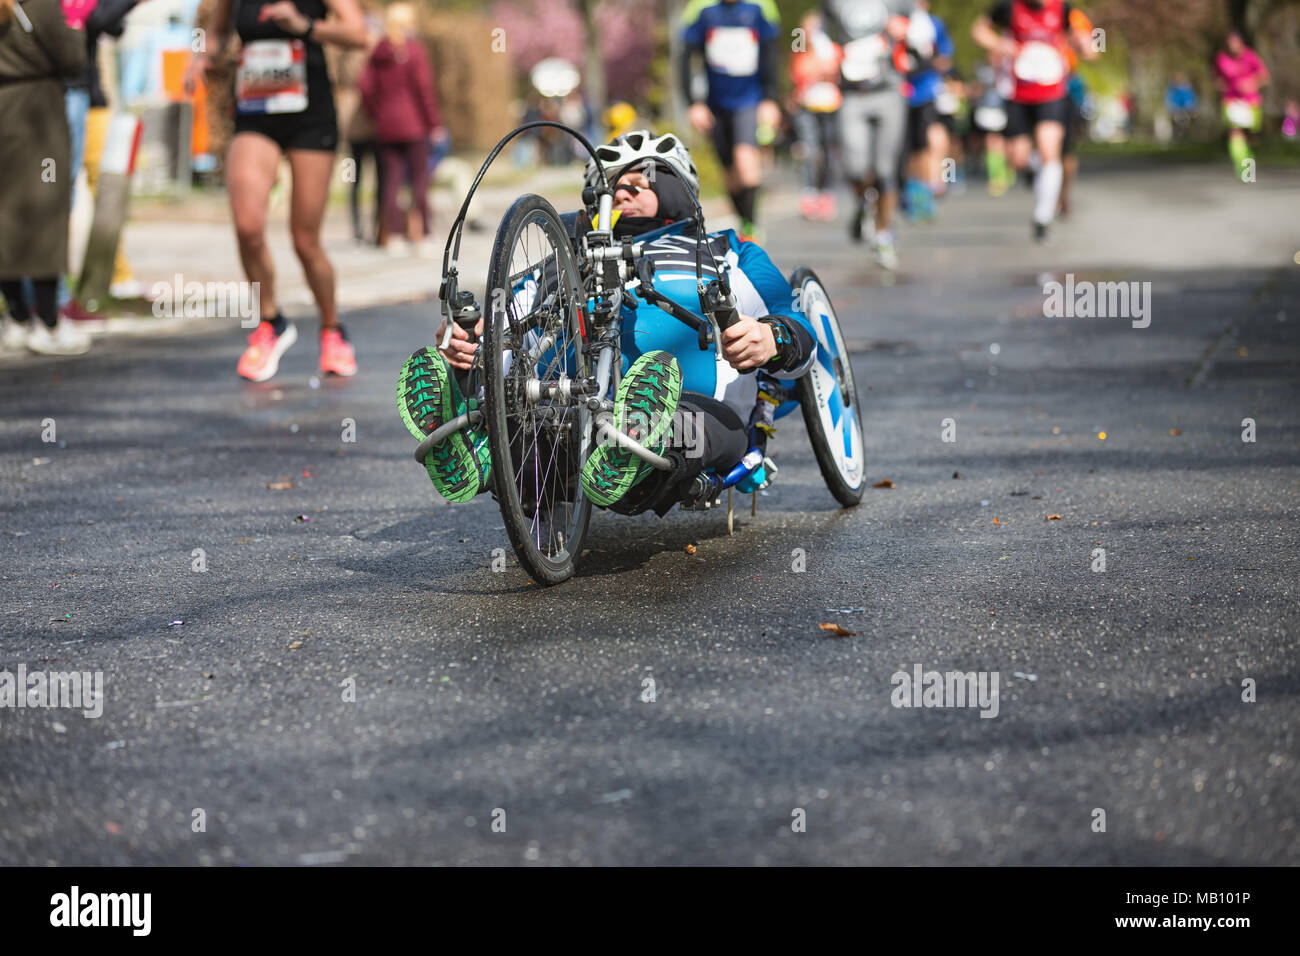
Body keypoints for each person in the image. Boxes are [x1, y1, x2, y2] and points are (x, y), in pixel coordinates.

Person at [395, 130, 819, 513]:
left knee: (682, 424)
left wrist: (770, 337)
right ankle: (469, 447)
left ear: (676, 187)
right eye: (611, 188)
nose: (621, 194)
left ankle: (632, 442)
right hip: (569, 411)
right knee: (532, 427)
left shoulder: (727, 251)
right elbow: (504, 323)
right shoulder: (564, 259)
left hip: (697, 408)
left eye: (638, 183)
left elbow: (798, 331)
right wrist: (466, 343)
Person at [185, 0, 366, 382]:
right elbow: (216, 32)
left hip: (310, 115)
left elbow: (358, 33)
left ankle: (332, 329)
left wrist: (305, 26)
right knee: (248, 227)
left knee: (305, 240)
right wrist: (201, 58)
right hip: (256, 112)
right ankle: (272, 323)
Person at [0, 0, 89, 355]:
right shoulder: (37, 3)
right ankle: (49, 322)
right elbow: (72, 59)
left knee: (5, 216)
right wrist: (77, 24)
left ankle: (16, 317)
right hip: (38, 113)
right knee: (46, 215)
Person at [972, 0, 1096, 242]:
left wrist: (1084, 44)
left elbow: (1092, 50)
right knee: (1017, 158)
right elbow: (979, 31)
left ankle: (1043, 216)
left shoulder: (1064, 10)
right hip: (1016, 92)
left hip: (1052, 90)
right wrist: (1000, 45)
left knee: (1050, 148)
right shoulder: (1009, 8)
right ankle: (1032, 169)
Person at [679, 0, 782, 241]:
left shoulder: (760, 7)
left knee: (746, 164)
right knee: (730, 174)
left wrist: (771, 99)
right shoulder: (701, 9)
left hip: (749, 100)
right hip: (715, 105)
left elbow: (771, 54)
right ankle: (745, 221)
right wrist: (693, 103)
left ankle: (753, 228)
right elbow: (685, 57)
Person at [822, 0, 913, 270]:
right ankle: (863, 203)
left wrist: (904, 31)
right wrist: (825, 53)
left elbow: (919, 29)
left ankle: (883, 236)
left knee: (885, 170)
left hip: (889, 91)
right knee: (855, 169)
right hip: (852, 94)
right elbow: (821, 33)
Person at [360, 1, 442, 258]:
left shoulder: (378, 52)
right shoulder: (414, 51)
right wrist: (433, 124)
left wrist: (378, 113)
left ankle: (393, 237)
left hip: (386, 127)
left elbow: (365, 87)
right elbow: (423, 90)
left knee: (391, 183)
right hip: (414, 125)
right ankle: (424, 236)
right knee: (419, 180)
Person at [901, 0, 954, 222]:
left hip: (925, 93)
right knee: (907, 148)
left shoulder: (934, 24)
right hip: (900, 92)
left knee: (926, 143)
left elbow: (945, 55)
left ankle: (925, 191)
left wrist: (931, 61)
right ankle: (911, 189)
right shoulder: (895, 22)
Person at [790, 10, 842, 222]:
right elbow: (798, 74)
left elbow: (836, 72)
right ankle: (810, 193)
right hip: (807, 107)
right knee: (809, 150)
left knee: (829, 152)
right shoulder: (800, 51)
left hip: (830, 106)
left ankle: (827, 194)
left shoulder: (833, 48)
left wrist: (820, 71)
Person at [1214, 31, 1269, 177]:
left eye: (1235, 42)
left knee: (1250, 136)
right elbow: (1217, 79)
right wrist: (1221, 86)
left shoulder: (1250, 57)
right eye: (1230, 43)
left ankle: (1249, 163)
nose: (1232, 46)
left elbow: (1264, 77)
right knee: (1235, 132)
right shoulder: (1222, 59)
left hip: (1250, 101)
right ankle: (1244, 168)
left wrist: (1252, 84)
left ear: (1241, 43)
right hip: (1231, 101)